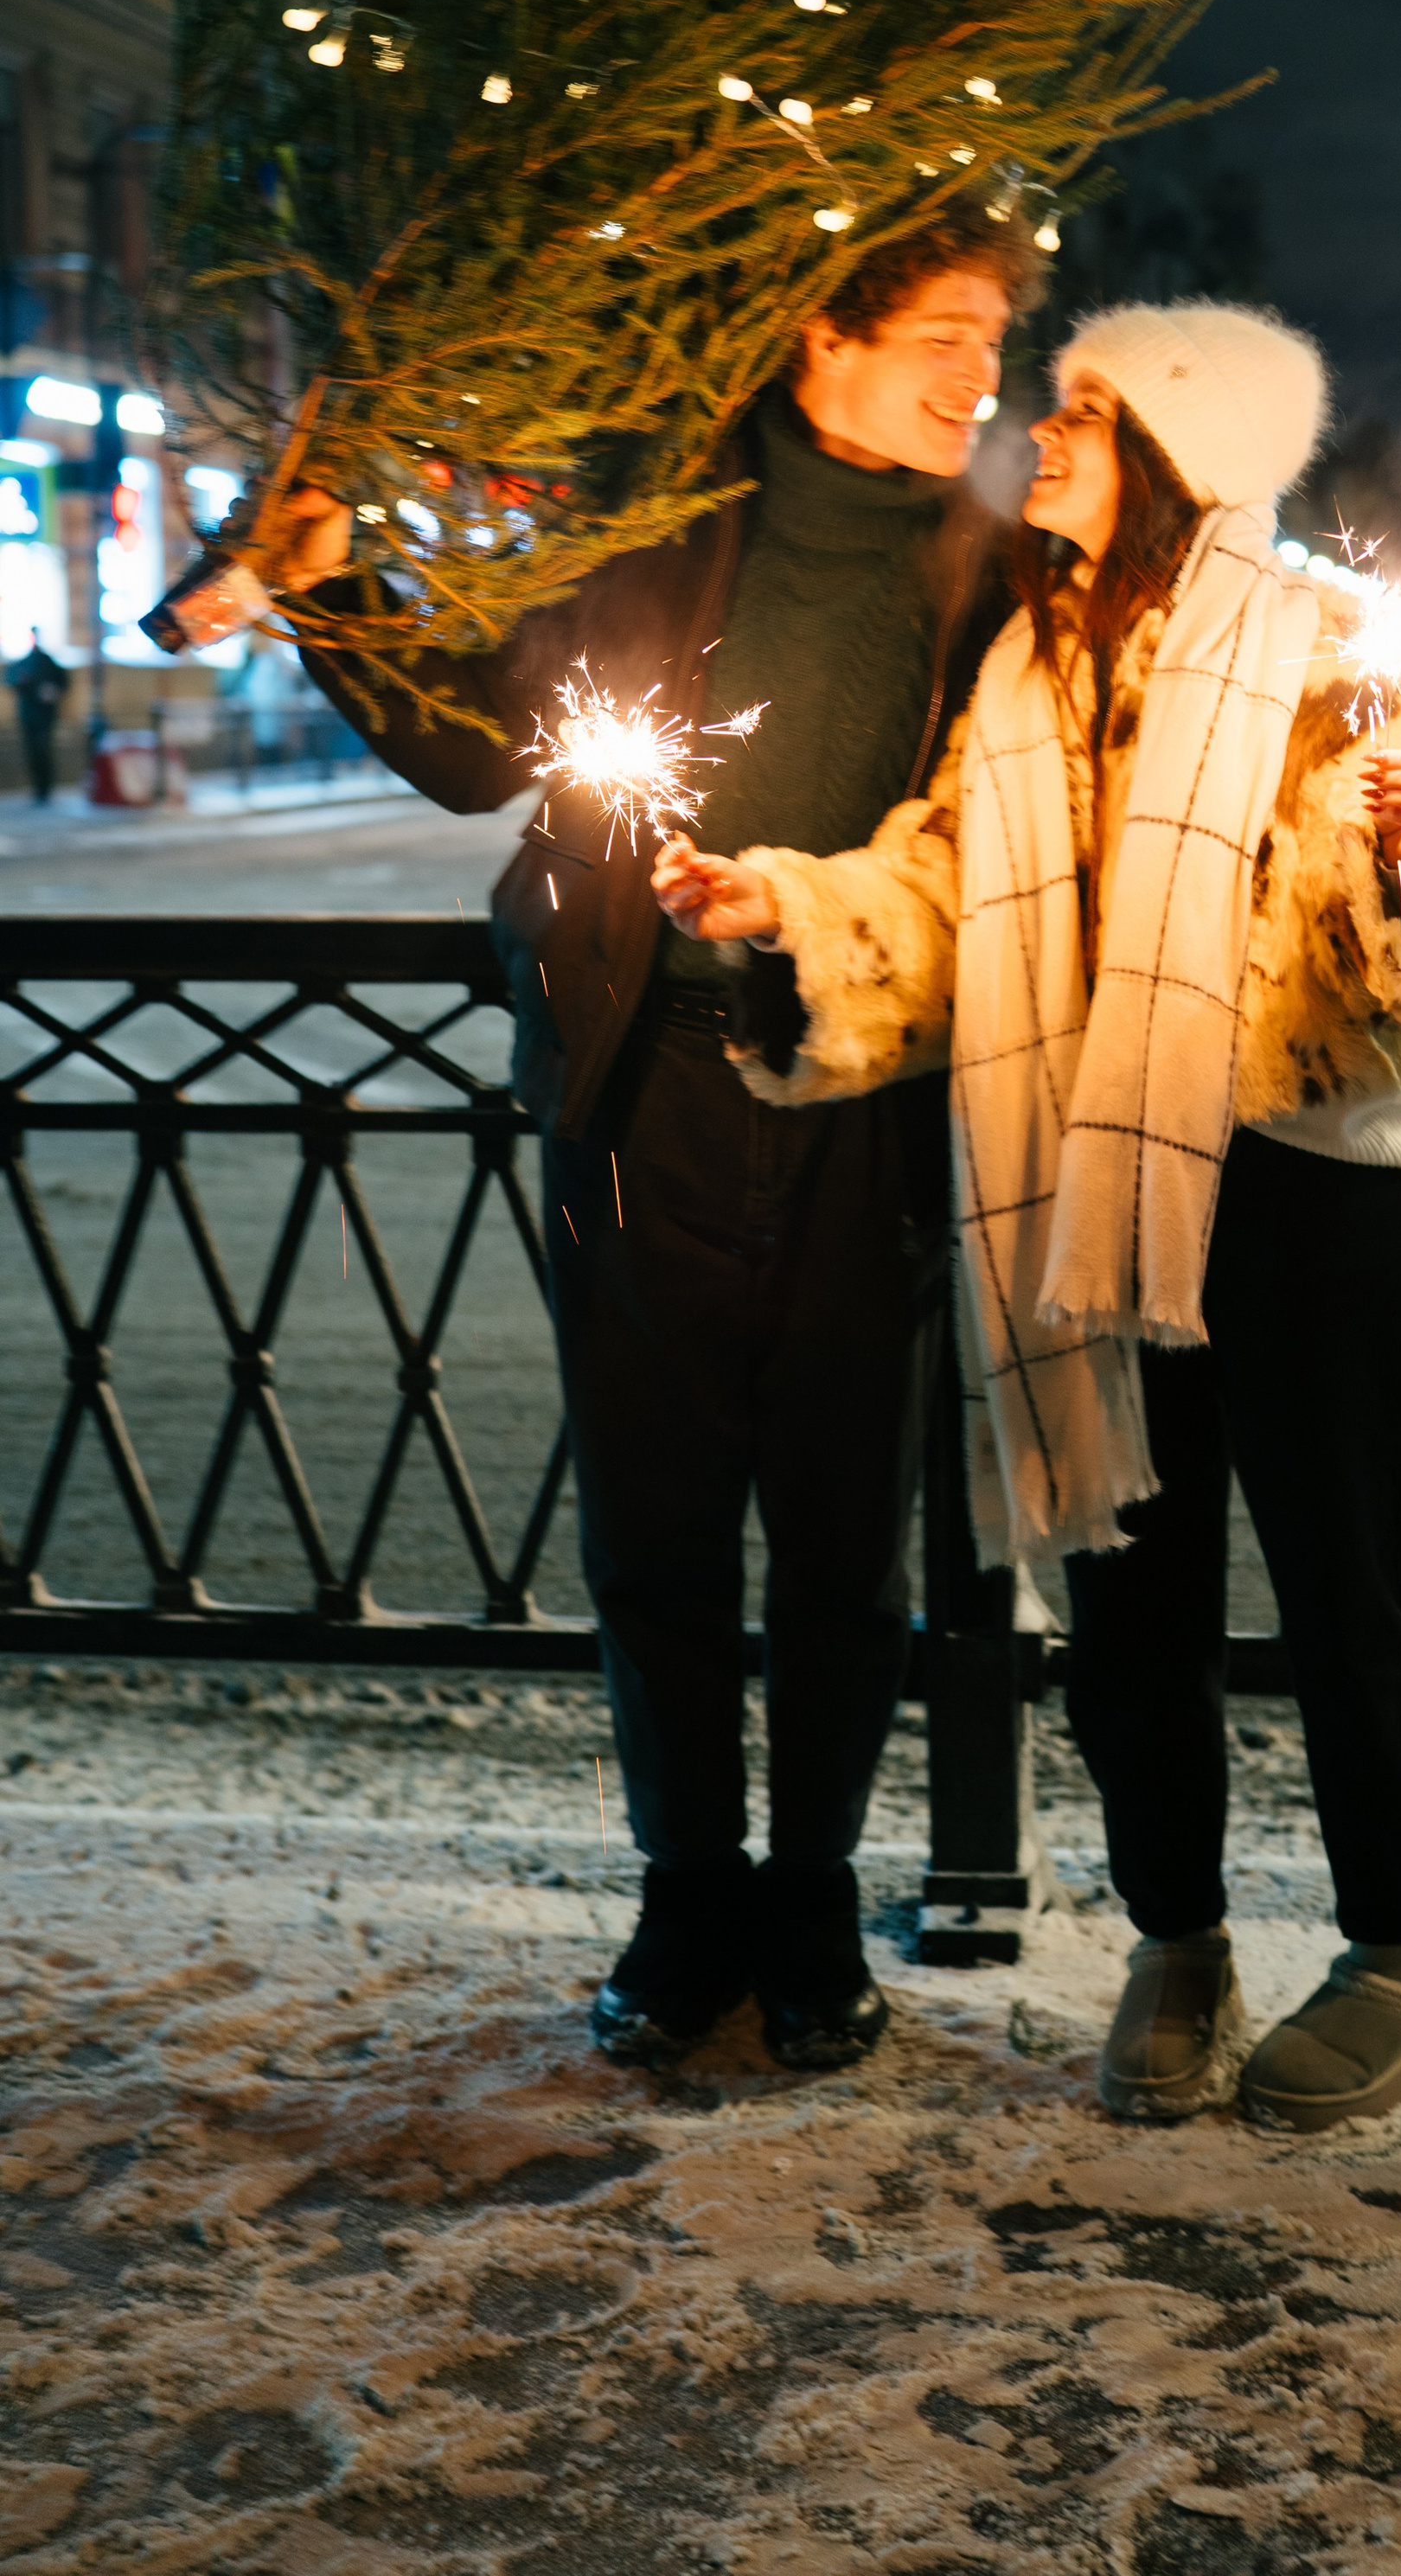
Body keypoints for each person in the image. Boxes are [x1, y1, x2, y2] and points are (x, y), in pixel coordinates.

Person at [654, 301, 1401, 2132]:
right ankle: (1177, 1939)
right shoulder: (1028, 673)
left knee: (1347, 1592)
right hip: (1097, 1187)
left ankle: (1398, 1958)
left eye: (1079, 411)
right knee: (1131, 1599)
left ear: (1176, 452)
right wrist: (787, 911)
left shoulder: (1320, 657)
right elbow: (945, 889)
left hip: (1298, 1191)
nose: (1038, 436)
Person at [265, 206, 1040, 2071]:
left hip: (866, 1097)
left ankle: (815, 1899)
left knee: (850, 1544)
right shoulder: (664, 533)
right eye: (940, 331)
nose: (975, 375)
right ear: (818, 347)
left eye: (990, 344)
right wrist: (328, 584)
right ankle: (686, 1892)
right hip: (648, 1094)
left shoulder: (998, 577)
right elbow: (474, 747)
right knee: (659, 1527)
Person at [6, 631, 68, 803]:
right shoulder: (23, 662)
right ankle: (38, 787)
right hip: (28, 715)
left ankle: (45, 788)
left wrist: (52, 691)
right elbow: (11, 680)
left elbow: (63, 681)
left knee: (43, 749)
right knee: (32, 751)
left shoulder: (48, 662)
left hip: (44, 715)